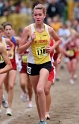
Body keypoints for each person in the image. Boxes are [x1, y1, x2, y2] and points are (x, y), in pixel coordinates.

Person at [19, 4, 61, 124]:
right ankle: (41, 119)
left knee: (39, 89)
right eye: (36, 15)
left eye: (40, 15)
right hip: (32, 64)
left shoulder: (49, 29)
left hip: (45, 63)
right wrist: (30, 41)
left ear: (44, 16)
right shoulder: (28, 29)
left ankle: (43, 119)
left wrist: (52, 47)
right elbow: (20, 50)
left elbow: (58, 40)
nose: (38, 17)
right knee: (37, 94)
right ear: (33, 16)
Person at [2, 22, 18, 116]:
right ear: (3, 31)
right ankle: (3, 98)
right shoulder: (2, 40)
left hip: (13, 65)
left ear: (12, 30)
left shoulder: (16, 40)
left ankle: (9, 108)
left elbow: (22, 48)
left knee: (11, 85)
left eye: (10, 29)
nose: (8, 31)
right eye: (6, 30)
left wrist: (20, 54)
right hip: (4, 65)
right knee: (6, 86)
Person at [45, 38, 62, 120]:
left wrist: (58, 58)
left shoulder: (53, 41)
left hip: (50, 68)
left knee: (46, 90)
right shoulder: (35, 40)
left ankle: (46, 112)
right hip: (37, 68)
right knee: (39, 91)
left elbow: (60, 52)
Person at [0, 25, 12, 116]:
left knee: (3, 85)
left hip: (2, 66)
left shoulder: (3, 44)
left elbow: (9, 65)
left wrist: (11, 51)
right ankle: (2, 98)